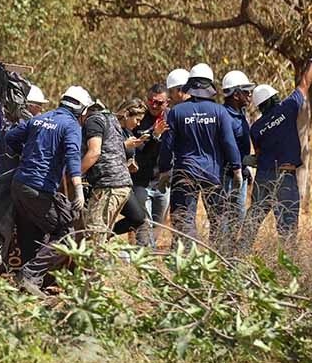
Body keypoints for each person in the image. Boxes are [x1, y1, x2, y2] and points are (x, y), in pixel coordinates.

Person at [239, 46, 312, 250]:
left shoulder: (256, 128)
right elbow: (306, 82)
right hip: (286, 178)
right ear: (273, 99)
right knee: (288, 229)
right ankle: (288, 263)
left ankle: (239, 257)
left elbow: (259, 154)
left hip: (264, 177)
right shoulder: (287, 108)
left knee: (254, 219)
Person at [3, 86, 92, 286]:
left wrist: (23, 155)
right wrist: (78, 189)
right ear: (81, 110)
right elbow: (72, 157)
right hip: (39, 189)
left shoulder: (38, 119)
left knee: (31, 232)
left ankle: (29, 284)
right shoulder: (71, 125)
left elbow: (11, 138)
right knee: (67, 233)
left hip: (19, 184)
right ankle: (28, 274)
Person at [158, 63, 242, 245]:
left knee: (184, 219)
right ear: (210, 85)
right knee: (218, 219)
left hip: (185, 173)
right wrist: (237, 168)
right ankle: (218, 260)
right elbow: (229, 142)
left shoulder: (177, 112)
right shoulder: (219, 111)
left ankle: (188, 261)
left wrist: (164, 170)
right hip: (212, 173)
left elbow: (167, 145)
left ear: (190, 84)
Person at [80, 99, 139, 240]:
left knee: (94, 235)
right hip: (121, 184)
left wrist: (74, 174)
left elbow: (94, 152)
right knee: (102, 233)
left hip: (108, 186)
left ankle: (95, 261)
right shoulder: (112, 120)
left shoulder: (93, 120)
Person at [120, 84, 170, 247]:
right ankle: (143, 256)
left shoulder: (172, 118)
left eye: (159, 102)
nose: (154, 105)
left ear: (167, 102)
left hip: (163, 181)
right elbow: (137, 149)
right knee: (143, 223)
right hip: (140, 181)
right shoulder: (139, 119)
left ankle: (148, 253)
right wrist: (154, 135)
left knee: (158, 224)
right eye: (151, 101)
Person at [220, 70, 255, 249]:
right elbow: (227, 145)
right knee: (225, 220)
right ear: (236, 94)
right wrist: (236, 169)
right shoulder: (224, 115)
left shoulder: (240, 113)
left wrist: (247, 165)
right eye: (246, 91)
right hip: (227, 176)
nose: (250, 95)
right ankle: (223, 255)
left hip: (240, 174)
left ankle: (231, 257)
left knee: (237, 218)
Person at [0, 84, 49, 175]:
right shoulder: (21, 128)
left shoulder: (7, 126)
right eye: (39, 106)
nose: (41, 111)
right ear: (29, 106)